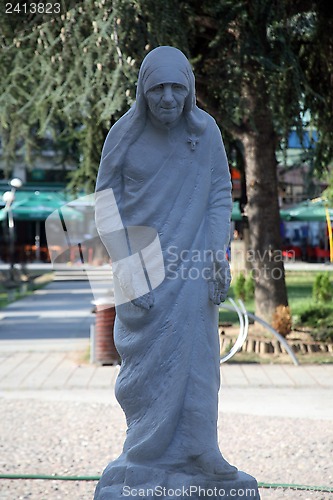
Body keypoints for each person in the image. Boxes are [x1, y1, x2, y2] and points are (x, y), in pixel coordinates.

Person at [94, 46, 237, 495]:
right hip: (141, 269)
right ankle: (143, 452)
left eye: (178, 87)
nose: (169, 98)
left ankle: (201, 448)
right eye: (159, 88)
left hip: (193, 266)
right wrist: (130, 269)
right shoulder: (125, 135)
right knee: (147, 371)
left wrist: (217, 253)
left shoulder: (206, 132)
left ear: (190, 90)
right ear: (143, 91)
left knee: (198, 362)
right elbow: (105, 205)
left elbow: (217, 195)